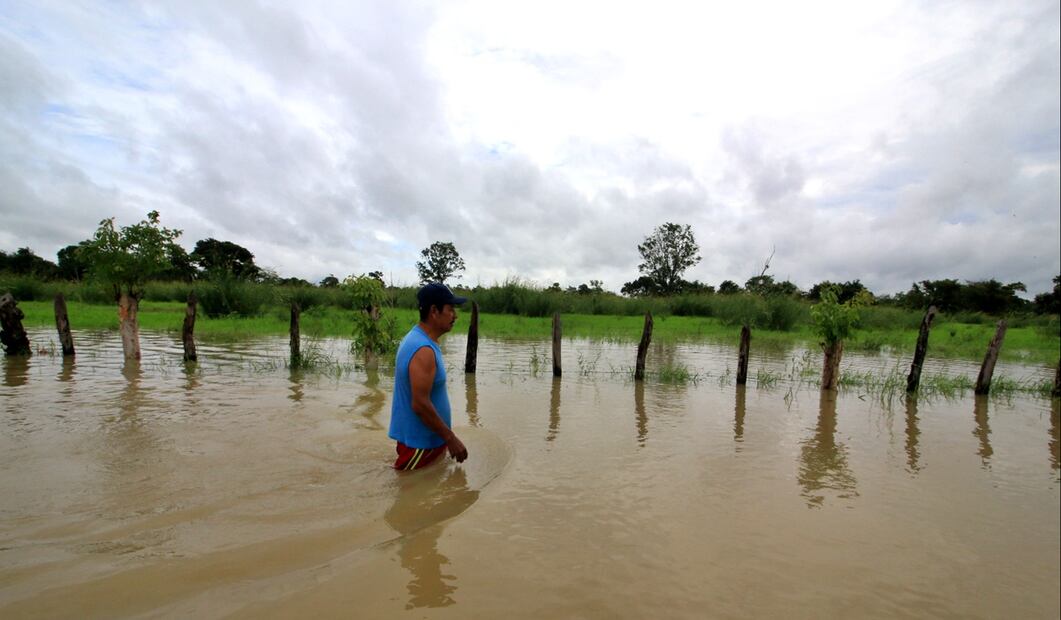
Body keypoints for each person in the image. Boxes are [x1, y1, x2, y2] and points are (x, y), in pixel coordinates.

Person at [389, 282, 470, 470]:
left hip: (427, 442)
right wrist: (451, 438)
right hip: (420, 447)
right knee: (410, 495)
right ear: (434, 311)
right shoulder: (422, 349)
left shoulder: (423, 340)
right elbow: (419, 404)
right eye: (450, 309)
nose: (455, 316)